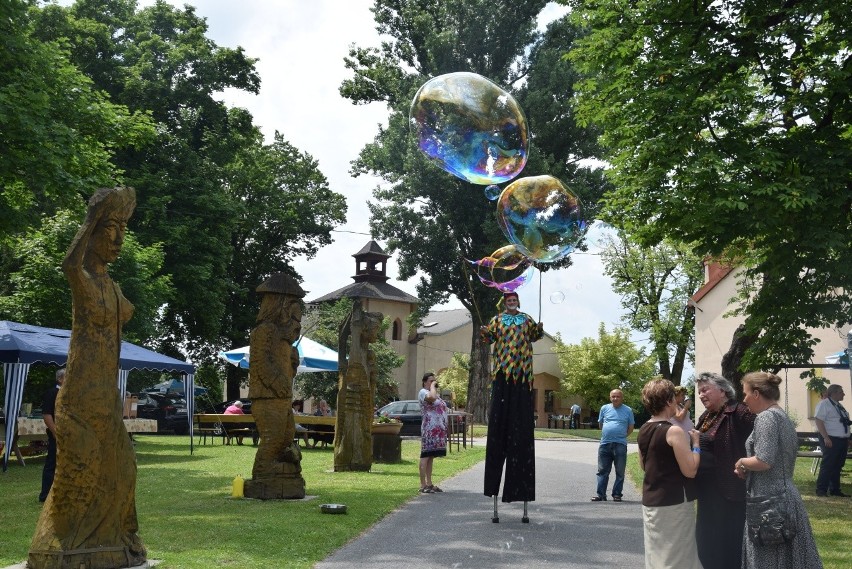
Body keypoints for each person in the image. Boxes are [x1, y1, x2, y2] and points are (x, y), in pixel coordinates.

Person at [30, 187, 145, 568]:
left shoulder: (112, 288)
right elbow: (68, 265)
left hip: (106, 398)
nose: (118, 239)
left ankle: (118, 537)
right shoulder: (82, 279)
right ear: (94, 231)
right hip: (79, 397)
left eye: (122, 230)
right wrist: (92, 217)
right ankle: (59, 548)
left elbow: (127, 311)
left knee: (124, 467)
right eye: (110, 229)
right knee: (79, 473)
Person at [736, 371, 823, 568]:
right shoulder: (781, 416)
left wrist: (742, 461)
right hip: (782, 498)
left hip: (770, 502)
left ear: (757, 394)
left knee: (769, 560)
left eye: (746, 393)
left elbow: (764, 460)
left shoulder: (766, 417)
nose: (744, 399)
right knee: (786, 559)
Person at [480, 290, 543, 520]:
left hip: (523, 374)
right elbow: (489, 339)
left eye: (514, 300)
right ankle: (495, 490)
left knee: (521, 434)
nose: (512, 302)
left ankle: (520, 490)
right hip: (502, 373)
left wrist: (539, 329)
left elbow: (535, 336)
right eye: (509, 300)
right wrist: (485, 334)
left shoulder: (526, 319)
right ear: (504, 303)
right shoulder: (496, 320)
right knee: (499, 429)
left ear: (518, 302)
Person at [637, 378, 702, 569]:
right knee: (678, 558)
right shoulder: (674, 431)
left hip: (651, 501)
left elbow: (643, 465)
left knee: (656, 556)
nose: (677, 401)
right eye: (674, 398)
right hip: (674, 502)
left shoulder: (644, 429)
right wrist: (696, 445)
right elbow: (690, 471)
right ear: (668, 401)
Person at [693, 371, 755, 569]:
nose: (701, 395)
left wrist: (748, 462)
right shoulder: (707, 415)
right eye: (699, 392)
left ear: (722, 390)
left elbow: (765, 432)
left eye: (705, 390)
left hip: (728, 490)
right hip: (706, 491)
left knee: (726, 541)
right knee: (706, 539)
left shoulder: (738, 411)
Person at [592, 389, 635, 502]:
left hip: (620, 444)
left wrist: (621, 436)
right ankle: (601, 495)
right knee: (602, 471)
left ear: (622, 398)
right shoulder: (604, 408)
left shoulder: (628, 410)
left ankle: (617, 494)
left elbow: (631, 427)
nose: (615, 398)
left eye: (618, 396)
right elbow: (601, 424)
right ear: (610, 397)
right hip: (605, 444)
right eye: (613, 396)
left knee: (620, 471)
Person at [814, 384, 850, 497]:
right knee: (828, 465)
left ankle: (835, 490)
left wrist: (847, 438)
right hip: (831, 438)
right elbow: (819, 421)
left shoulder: (839, 405)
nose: (843, 394)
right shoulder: (824, 404)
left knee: (838, 465)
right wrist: (826, 437)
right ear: (833, 393)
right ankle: (821, 490)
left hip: (841, 440)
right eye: (841, 392)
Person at [38, 368, 65, 502]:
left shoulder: (68, 394)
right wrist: (55, 432)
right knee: (52, 464)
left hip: (68, 435)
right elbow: (47, 414)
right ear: (60, 379)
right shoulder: (52, 393)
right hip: (56, 435)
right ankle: (45, 495)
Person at [418, 373, 448, 493]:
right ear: (425, 382)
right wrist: (432, 387)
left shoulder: (435, 394)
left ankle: (429, 483)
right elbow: (431, 398)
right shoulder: (423, 392)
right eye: (431, 381)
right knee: (425, 456)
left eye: (434, 381)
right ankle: (422, 485)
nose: (433, 383)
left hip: (438, 431)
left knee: (431, 456)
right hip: (429, 430)